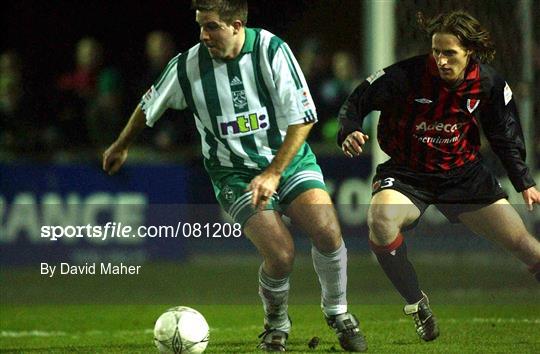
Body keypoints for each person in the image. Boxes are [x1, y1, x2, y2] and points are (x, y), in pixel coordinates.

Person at [103, 0, 366, 351]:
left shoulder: (272, 51)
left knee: (328, 232)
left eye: (211, 26)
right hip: (232, 172)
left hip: (288, 161)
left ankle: (337, 312)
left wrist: (274, 172)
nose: (203, 35)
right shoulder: (187, 66)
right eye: (199, 25)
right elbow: (150, 103)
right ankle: (276, 324)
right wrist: (121, 145)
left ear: (237, 26)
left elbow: (303, 116)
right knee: (281, 254)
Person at [338, 11, 540, 342]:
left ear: (469, 52)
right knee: (380, 219)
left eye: (450, 53)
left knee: (524, 245)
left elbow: (505, 135)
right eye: (436, 51)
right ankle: (418, 305)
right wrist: (349, 129)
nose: (441, 60)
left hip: (463, 176)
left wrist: (524, 181)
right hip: (408, 173)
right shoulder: (407, 75)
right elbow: (358, 99)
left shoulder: (488, 83)